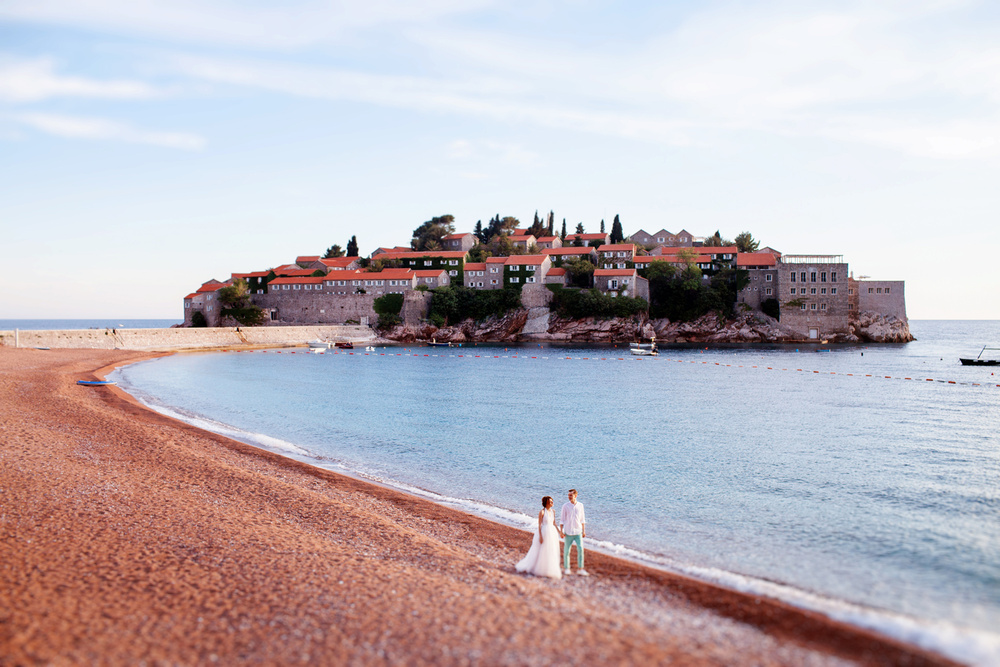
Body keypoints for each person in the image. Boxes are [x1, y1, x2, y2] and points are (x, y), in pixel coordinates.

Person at [515, 496, 562, 579]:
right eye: (551, 502)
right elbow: (539, 525)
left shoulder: (553, 511)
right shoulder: (542, 512)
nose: (552, 503)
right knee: (541, 549)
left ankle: (549, 568)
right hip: (544, 532)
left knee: (551, 550)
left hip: (552, 533)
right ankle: (537, 568)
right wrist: (540, 536)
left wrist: (560, 532)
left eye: (552, 501)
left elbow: (554, 523)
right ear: (547, 503)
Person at [560, 488, 587, 576]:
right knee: (567, 551)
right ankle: (567, 568)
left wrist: (583, 531)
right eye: (568, 495)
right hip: (568, 532)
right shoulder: (565, 506)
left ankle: (580, 569)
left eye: (571, 495)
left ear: (575, 495)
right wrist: (561, 531)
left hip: (578, 531)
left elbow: (582, 519)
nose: (569, 497)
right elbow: (562, 520)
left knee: (580, 549)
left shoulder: (580, 505)